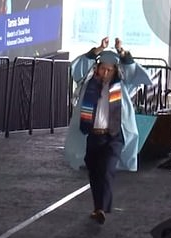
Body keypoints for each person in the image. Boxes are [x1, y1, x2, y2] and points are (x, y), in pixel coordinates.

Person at [64, 37, 151, 224]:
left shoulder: (123, 86)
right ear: (97, 68)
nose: (105, 72)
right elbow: (77, 68)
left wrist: (122, 52)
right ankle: (98, 208)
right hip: (92, 136)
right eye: (102, 68)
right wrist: (97, 50)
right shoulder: (87, 85)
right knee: (95, 173)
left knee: (107, 169)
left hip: (114, 136)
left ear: (115, 71)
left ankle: (102, 207)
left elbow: (134, 71)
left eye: (109, 70)